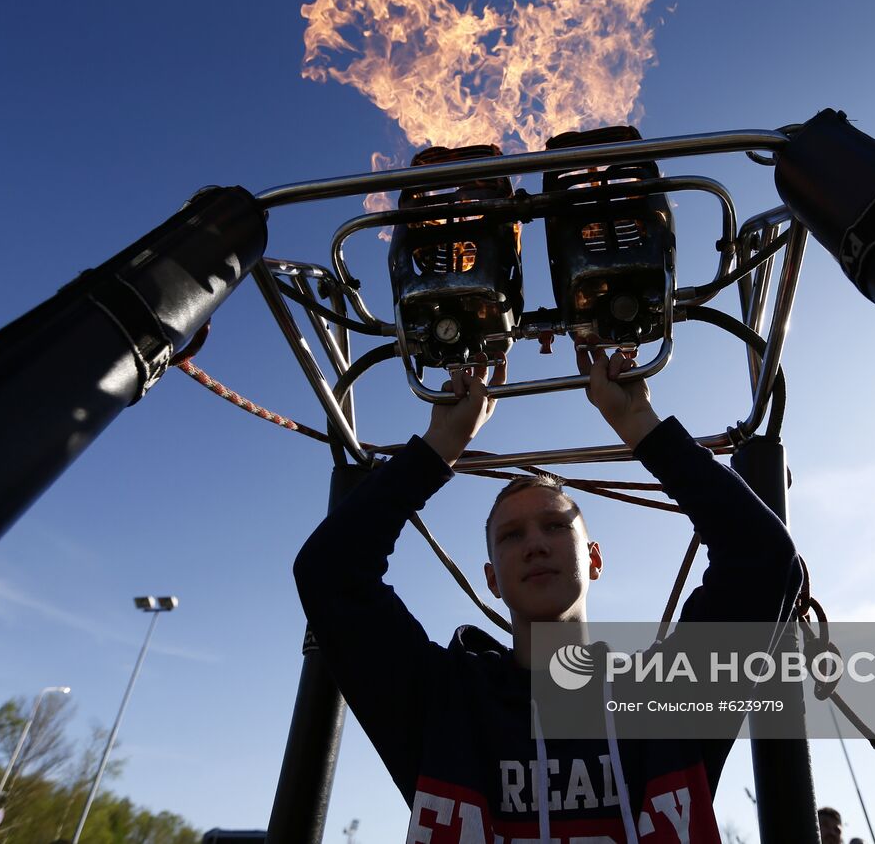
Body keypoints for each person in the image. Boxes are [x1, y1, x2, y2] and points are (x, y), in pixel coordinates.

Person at [295, 343, 801, 842]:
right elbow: (330, 571)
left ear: (594, 559)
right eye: (512, 536)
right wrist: (440, 442)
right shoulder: (443, 703)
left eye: (556, 527)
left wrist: (642, 425)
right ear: (491, 579)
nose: (535, 544)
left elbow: (761, 558)